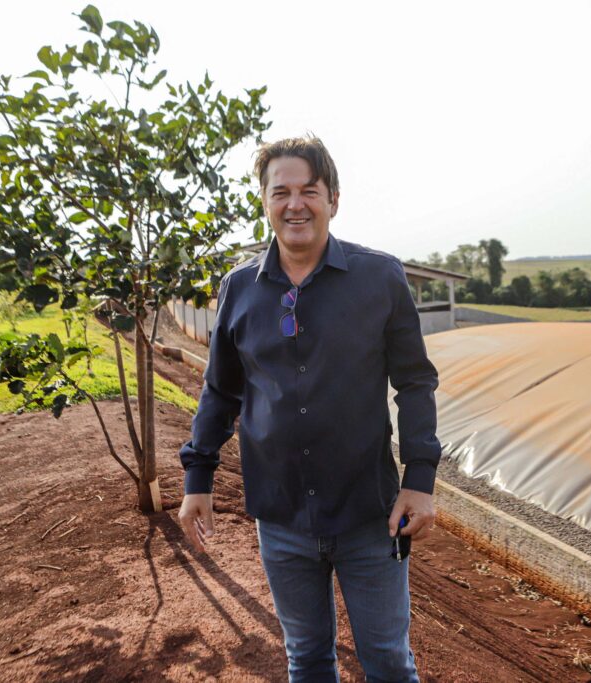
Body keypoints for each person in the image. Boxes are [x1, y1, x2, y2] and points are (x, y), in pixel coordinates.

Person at [178, 135, 441, 683]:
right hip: (281, 517)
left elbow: (414, 382)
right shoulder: (240, 289)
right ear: (266, 202)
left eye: (309, 191)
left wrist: (420, 479)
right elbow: (221, 390)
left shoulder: (380, 279)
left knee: (389, 661)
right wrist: (197, 477)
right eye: (281, 192)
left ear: (334, 199)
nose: (294, 204)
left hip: (370, 514)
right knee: (307, 658)